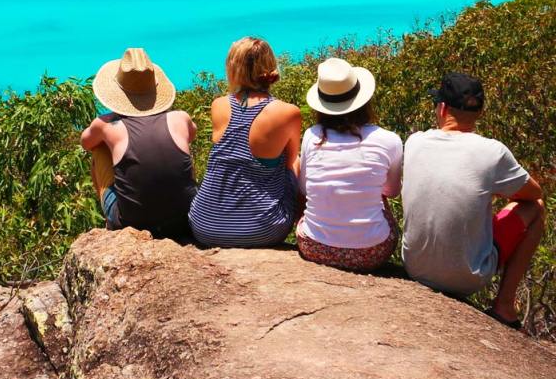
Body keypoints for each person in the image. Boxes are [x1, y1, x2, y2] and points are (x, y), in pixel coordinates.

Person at [402, 73, 546, 329]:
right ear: (479, 113)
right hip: (467, 278)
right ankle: (504, 307)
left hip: (415, 268)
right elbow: (534, 194)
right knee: (536, 209)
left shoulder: (415, 142)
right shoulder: (493, 151)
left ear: (443, 108)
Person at [189, 37, 301, 247]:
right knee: (298, 160)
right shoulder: (287, 112)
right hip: (261, 230)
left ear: (233, 68)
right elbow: (291, 163)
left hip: (204, 225)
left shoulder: (219, 105)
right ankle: (311, 233)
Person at [295, 57, 402, 271]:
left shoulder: (312, 136)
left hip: (314, 246)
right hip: (372, 252)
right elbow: (391, 192)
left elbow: (304, 189)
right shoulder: (389, 140)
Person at [80, 47, 198, 239]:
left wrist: (107, 122)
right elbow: (191, 135)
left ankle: (111, 225)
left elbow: (86, 142)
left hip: (133, 223)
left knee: (99, 148)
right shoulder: (180, 118)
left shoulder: (107, 125)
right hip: (182, 220)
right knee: (177, 147)